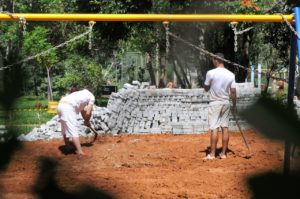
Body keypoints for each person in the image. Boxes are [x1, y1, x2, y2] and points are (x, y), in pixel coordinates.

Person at [203, 53, 237, 160]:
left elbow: (206, 88)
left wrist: (207, 85)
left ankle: (212, 154)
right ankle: (223, 154)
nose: (213, 62)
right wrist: (234, 105)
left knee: (214, 128)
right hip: (226, 102)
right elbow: (233, 91)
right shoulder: (231, 74)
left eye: (213, 60)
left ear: (216, 60)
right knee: (225, 127)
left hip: (215, 103)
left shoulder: (210, 73)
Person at [57, 88, 95, 156]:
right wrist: (87, 120)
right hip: (68, 107)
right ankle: (79, 151)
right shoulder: (92, 97)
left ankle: (68, 146)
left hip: (60, 105)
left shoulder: (81, 95)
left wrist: (86, 120)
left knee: (64, 127)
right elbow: (88, 112)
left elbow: (83, 112)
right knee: (73, 129)